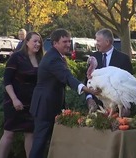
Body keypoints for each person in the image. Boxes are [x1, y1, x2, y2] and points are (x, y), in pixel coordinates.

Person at [29, 28, 100, 158]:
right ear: (55, 43)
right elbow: (67, 77)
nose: (68, 44)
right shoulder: (53, 59)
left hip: (50, 105)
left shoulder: (56, 56)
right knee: (39, 144)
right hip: (44, 107)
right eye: (64, 41)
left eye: (69, 41)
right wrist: (86, 89)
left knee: (49, 143)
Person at [0, 32, 44, 158]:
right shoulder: (17, 57)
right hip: (14, 100)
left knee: (30, 133)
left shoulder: (41, 59)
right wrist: (14, 99)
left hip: (32, 102)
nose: (38, 44)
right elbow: (7, 81)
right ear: (27, 42)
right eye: (35, 41)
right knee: (9, 133)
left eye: (39, 42)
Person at [86, 28, 133, 114]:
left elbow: (128, 85)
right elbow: (87, 81)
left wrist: (126, 106)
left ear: (107, 42)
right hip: (98, 109)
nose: (96, 43)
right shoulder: (93, 57)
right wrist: (89, 98)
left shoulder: (123, 59)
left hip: (118, 109)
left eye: (98, 41)